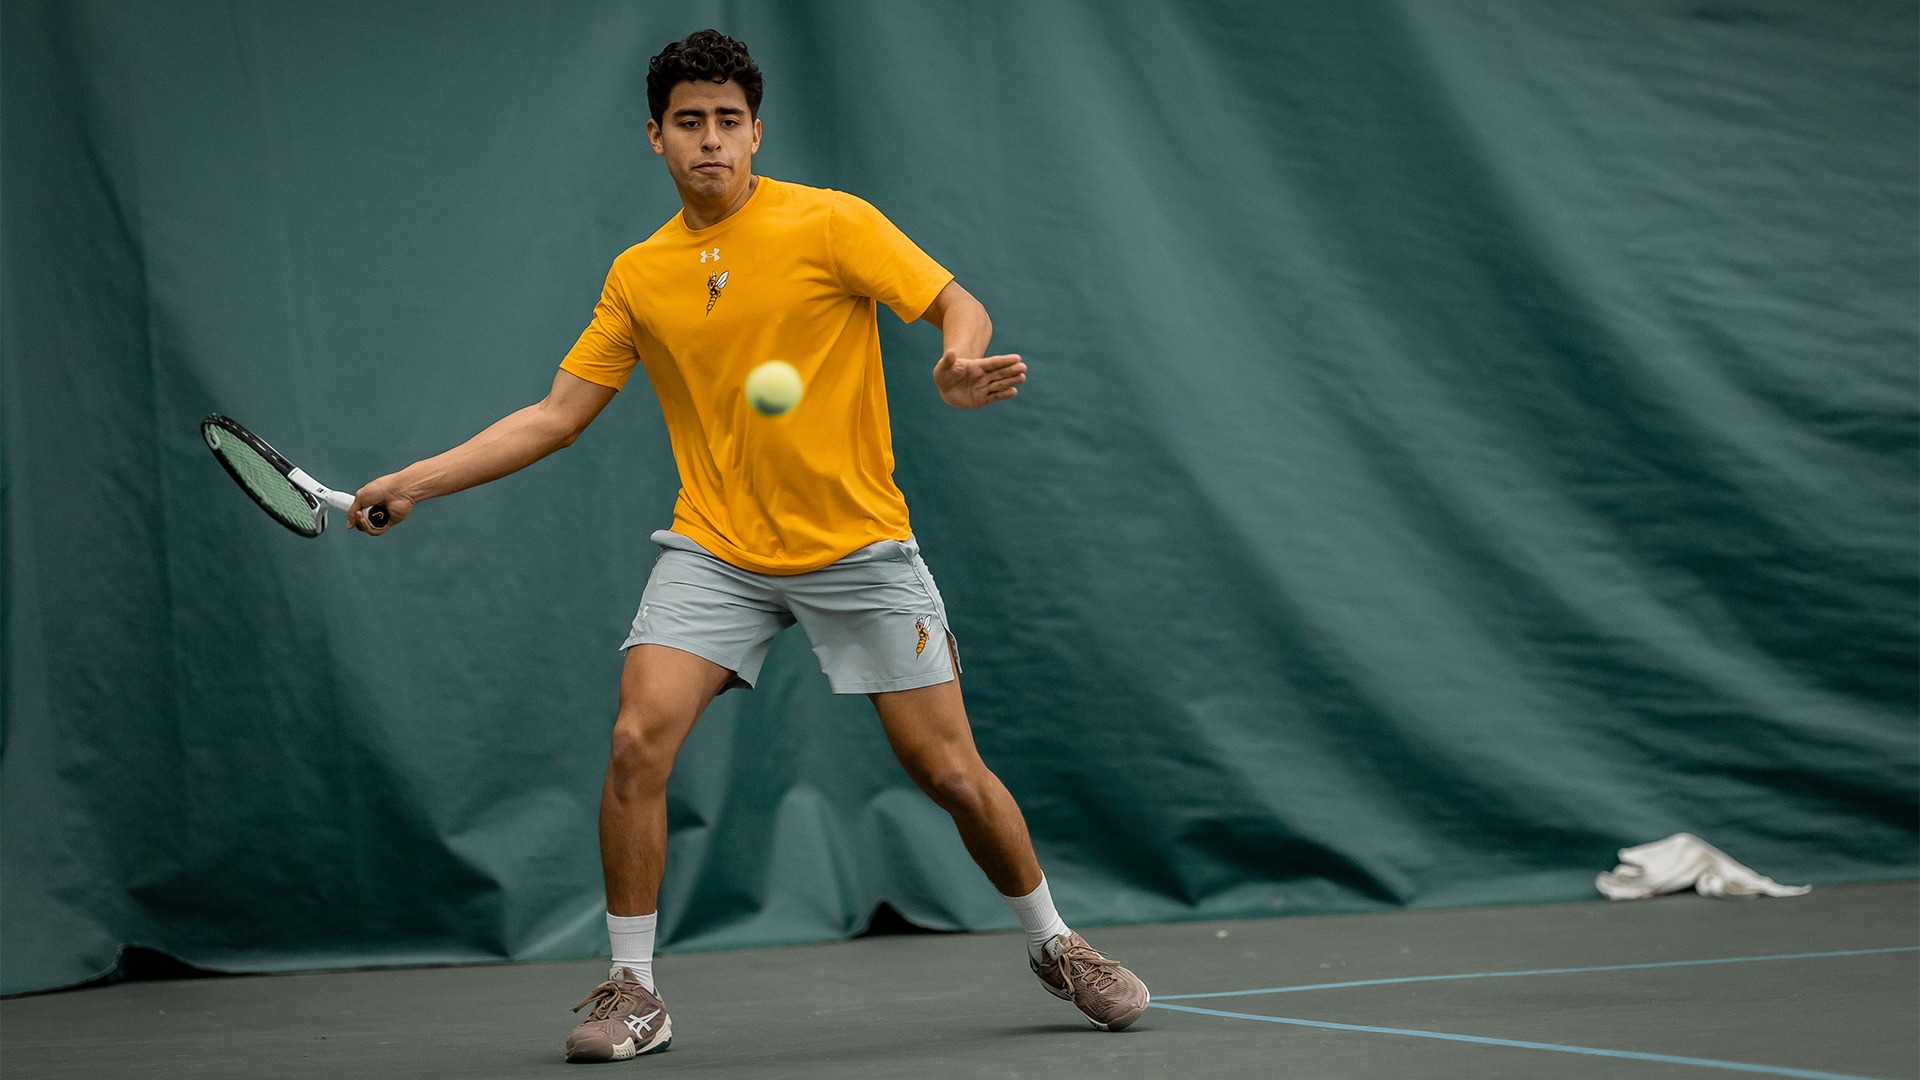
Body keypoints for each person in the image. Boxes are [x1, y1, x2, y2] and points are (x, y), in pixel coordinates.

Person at [348, 28, 1149, 1064]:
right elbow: (555, 414)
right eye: (690, 123)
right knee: (638, 739)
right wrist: (412, 481)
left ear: (756, 131)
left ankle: (1054, 944)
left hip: (859, 547)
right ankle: (633, 990)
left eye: (729, 122)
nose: (712, 141)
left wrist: (955, 362)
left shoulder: (830, 223)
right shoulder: (640, 276)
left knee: (950, 772)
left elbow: (954, 300)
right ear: (656, 138)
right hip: (716, 549)